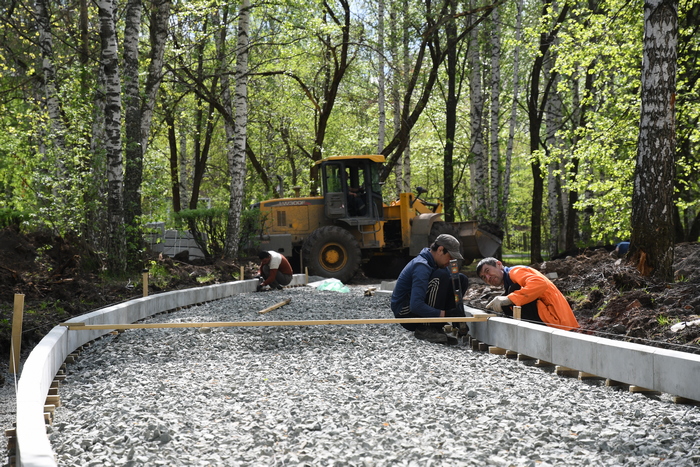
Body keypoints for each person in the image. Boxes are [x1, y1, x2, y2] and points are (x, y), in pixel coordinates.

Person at [390, 234, 470, 344]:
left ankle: (437, 328)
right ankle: (426, 328)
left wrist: (458, 316)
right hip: (405, 312)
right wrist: (447, 314)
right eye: (450, 257)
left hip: (416, 308)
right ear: (440, 250)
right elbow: (416, 305)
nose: (451, 261)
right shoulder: (421, 266)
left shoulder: (437, 264)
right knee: (441, 277)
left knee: (461, 279)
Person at [476, 257, 579, 330]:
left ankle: (528, 336)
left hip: (557, 321)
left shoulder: (515, 272)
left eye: (488, 271)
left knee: (512, 293)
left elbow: (539, 283)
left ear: (499, 264)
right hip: (555, 320)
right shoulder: (510, 279)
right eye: (484, 277)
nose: (488, 277)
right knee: (506, 299)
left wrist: (509, 299)